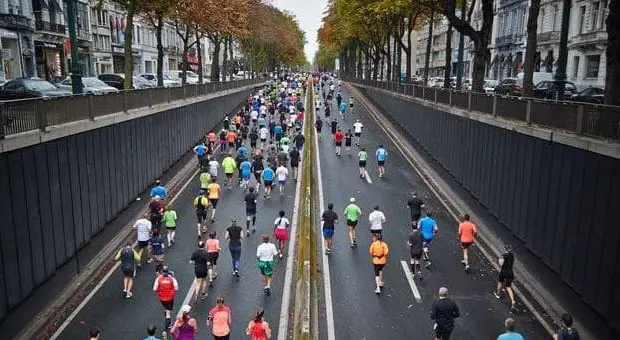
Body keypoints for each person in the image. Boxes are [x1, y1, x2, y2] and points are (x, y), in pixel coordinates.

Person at [153, 266, 179, 330]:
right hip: (170, 298)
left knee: (165, 308)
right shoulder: (172, 279)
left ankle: (167, 318)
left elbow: (154, 289)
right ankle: (167, 325)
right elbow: (176, 288)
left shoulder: (158, 278)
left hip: (162, 298)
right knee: (168, 313)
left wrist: (160, 289)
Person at [494, 245, 517, 311]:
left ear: (505, 249)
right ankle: (513, 301)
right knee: (508, 286)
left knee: (500, 282)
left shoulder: (504, 255)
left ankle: (498, 293)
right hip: (510, 272)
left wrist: (500, 259)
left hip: (504, 272)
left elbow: (501, 264)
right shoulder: (512, 256)